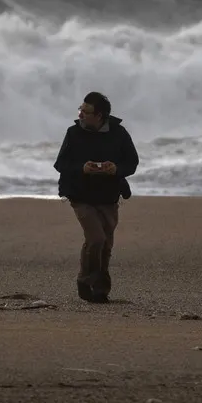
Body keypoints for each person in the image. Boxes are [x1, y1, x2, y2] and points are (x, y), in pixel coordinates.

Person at [53, 92, 140, 303]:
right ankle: (84, 281)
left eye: (86, 111)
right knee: (96, 239)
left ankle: (101, 290)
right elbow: (60, 165)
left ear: (99, 115)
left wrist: (115, 169)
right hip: (80, 195)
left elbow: (132, 163)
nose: (81, 114)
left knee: (106, 244)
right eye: (80, 110)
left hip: (109, 196)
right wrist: (82, 168)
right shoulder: (73, 133)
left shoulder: (119, 133)